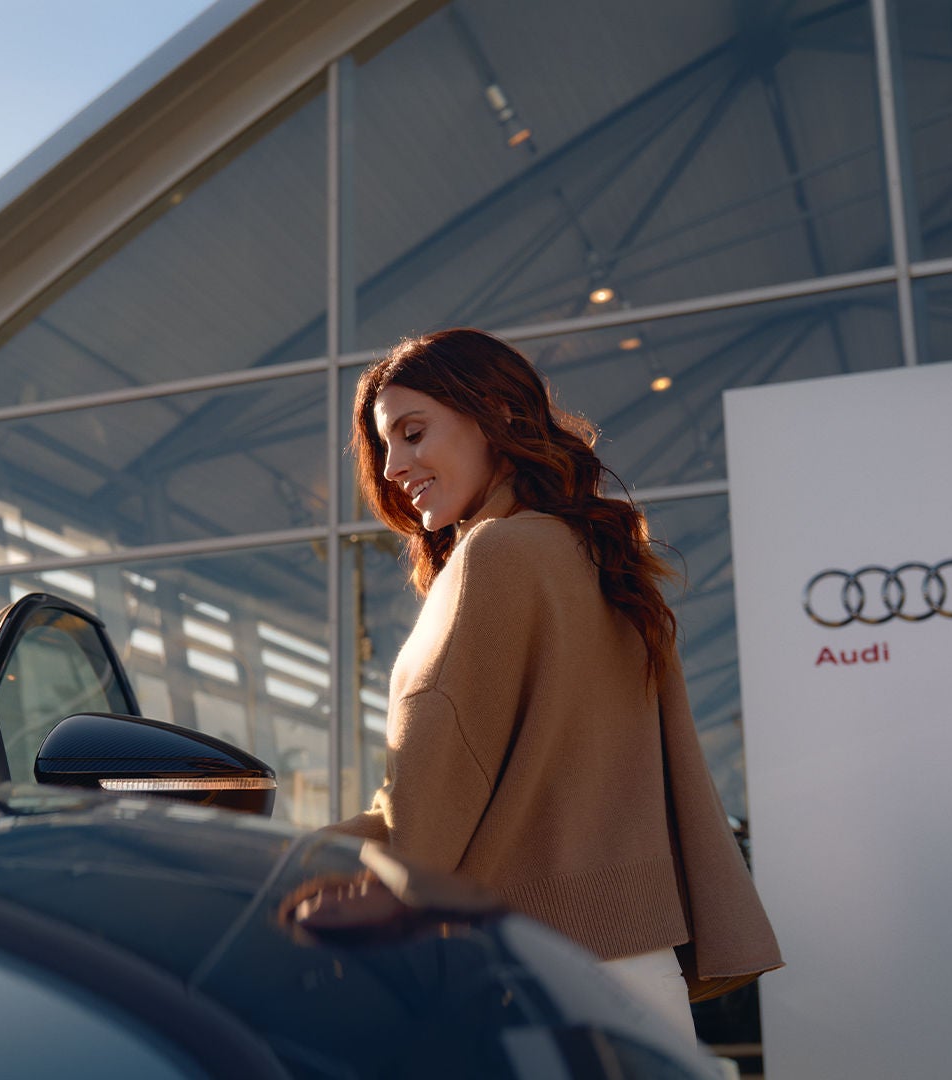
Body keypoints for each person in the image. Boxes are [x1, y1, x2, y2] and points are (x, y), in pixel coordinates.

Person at [329, 327, 782, 1046]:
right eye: (386, 446)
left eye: (413, 433)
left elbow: (430, 807)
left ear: (496, 416)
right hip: (638, 966)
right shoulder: (597, 559)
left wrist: (279, 869)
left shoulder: (494, 557)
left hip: (532, 978)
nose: (394, 467)